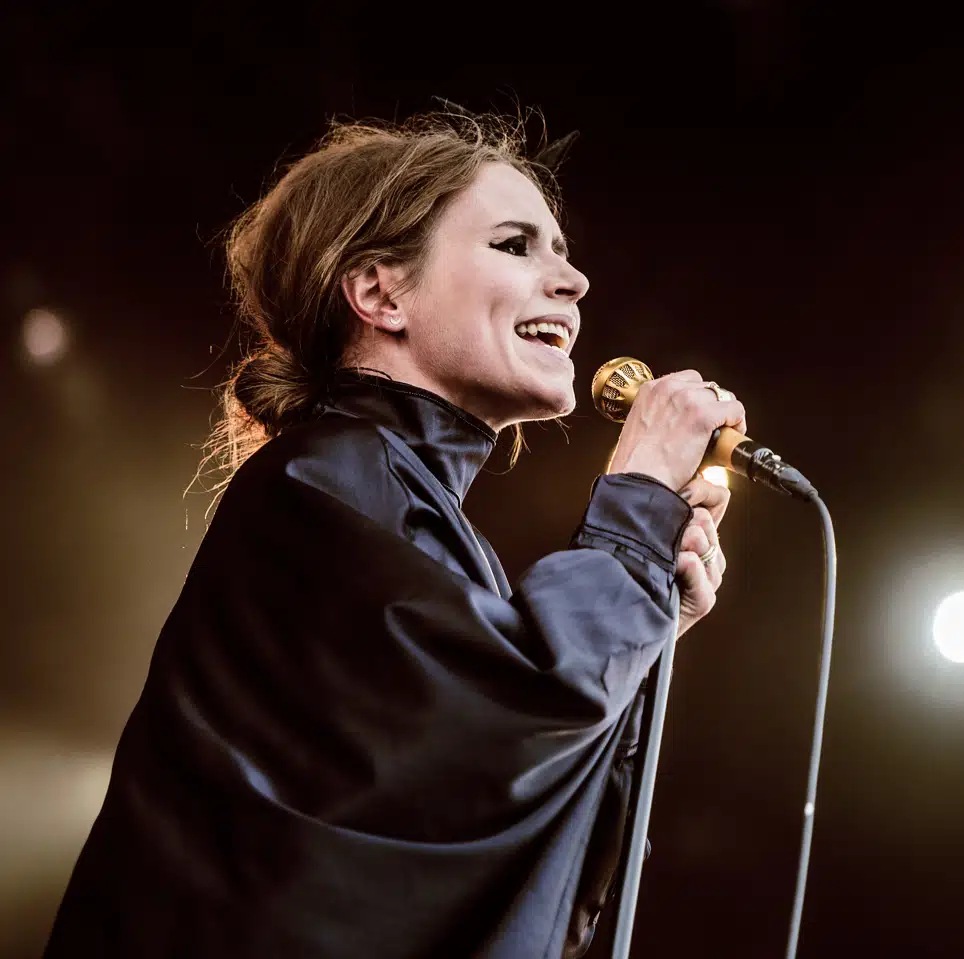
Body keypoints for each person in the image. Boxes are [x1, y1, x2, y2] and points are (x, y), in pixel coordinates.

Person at [42, 112, 746, 959]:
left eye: (561, 249)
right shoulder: (319, 482)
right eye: (517, 245)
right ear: (380, 293)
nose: (576, 281)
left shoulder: (406, 508)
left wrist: (647, 619)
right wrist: (633, 510)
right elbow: (500, 722)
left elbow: (487, 813)